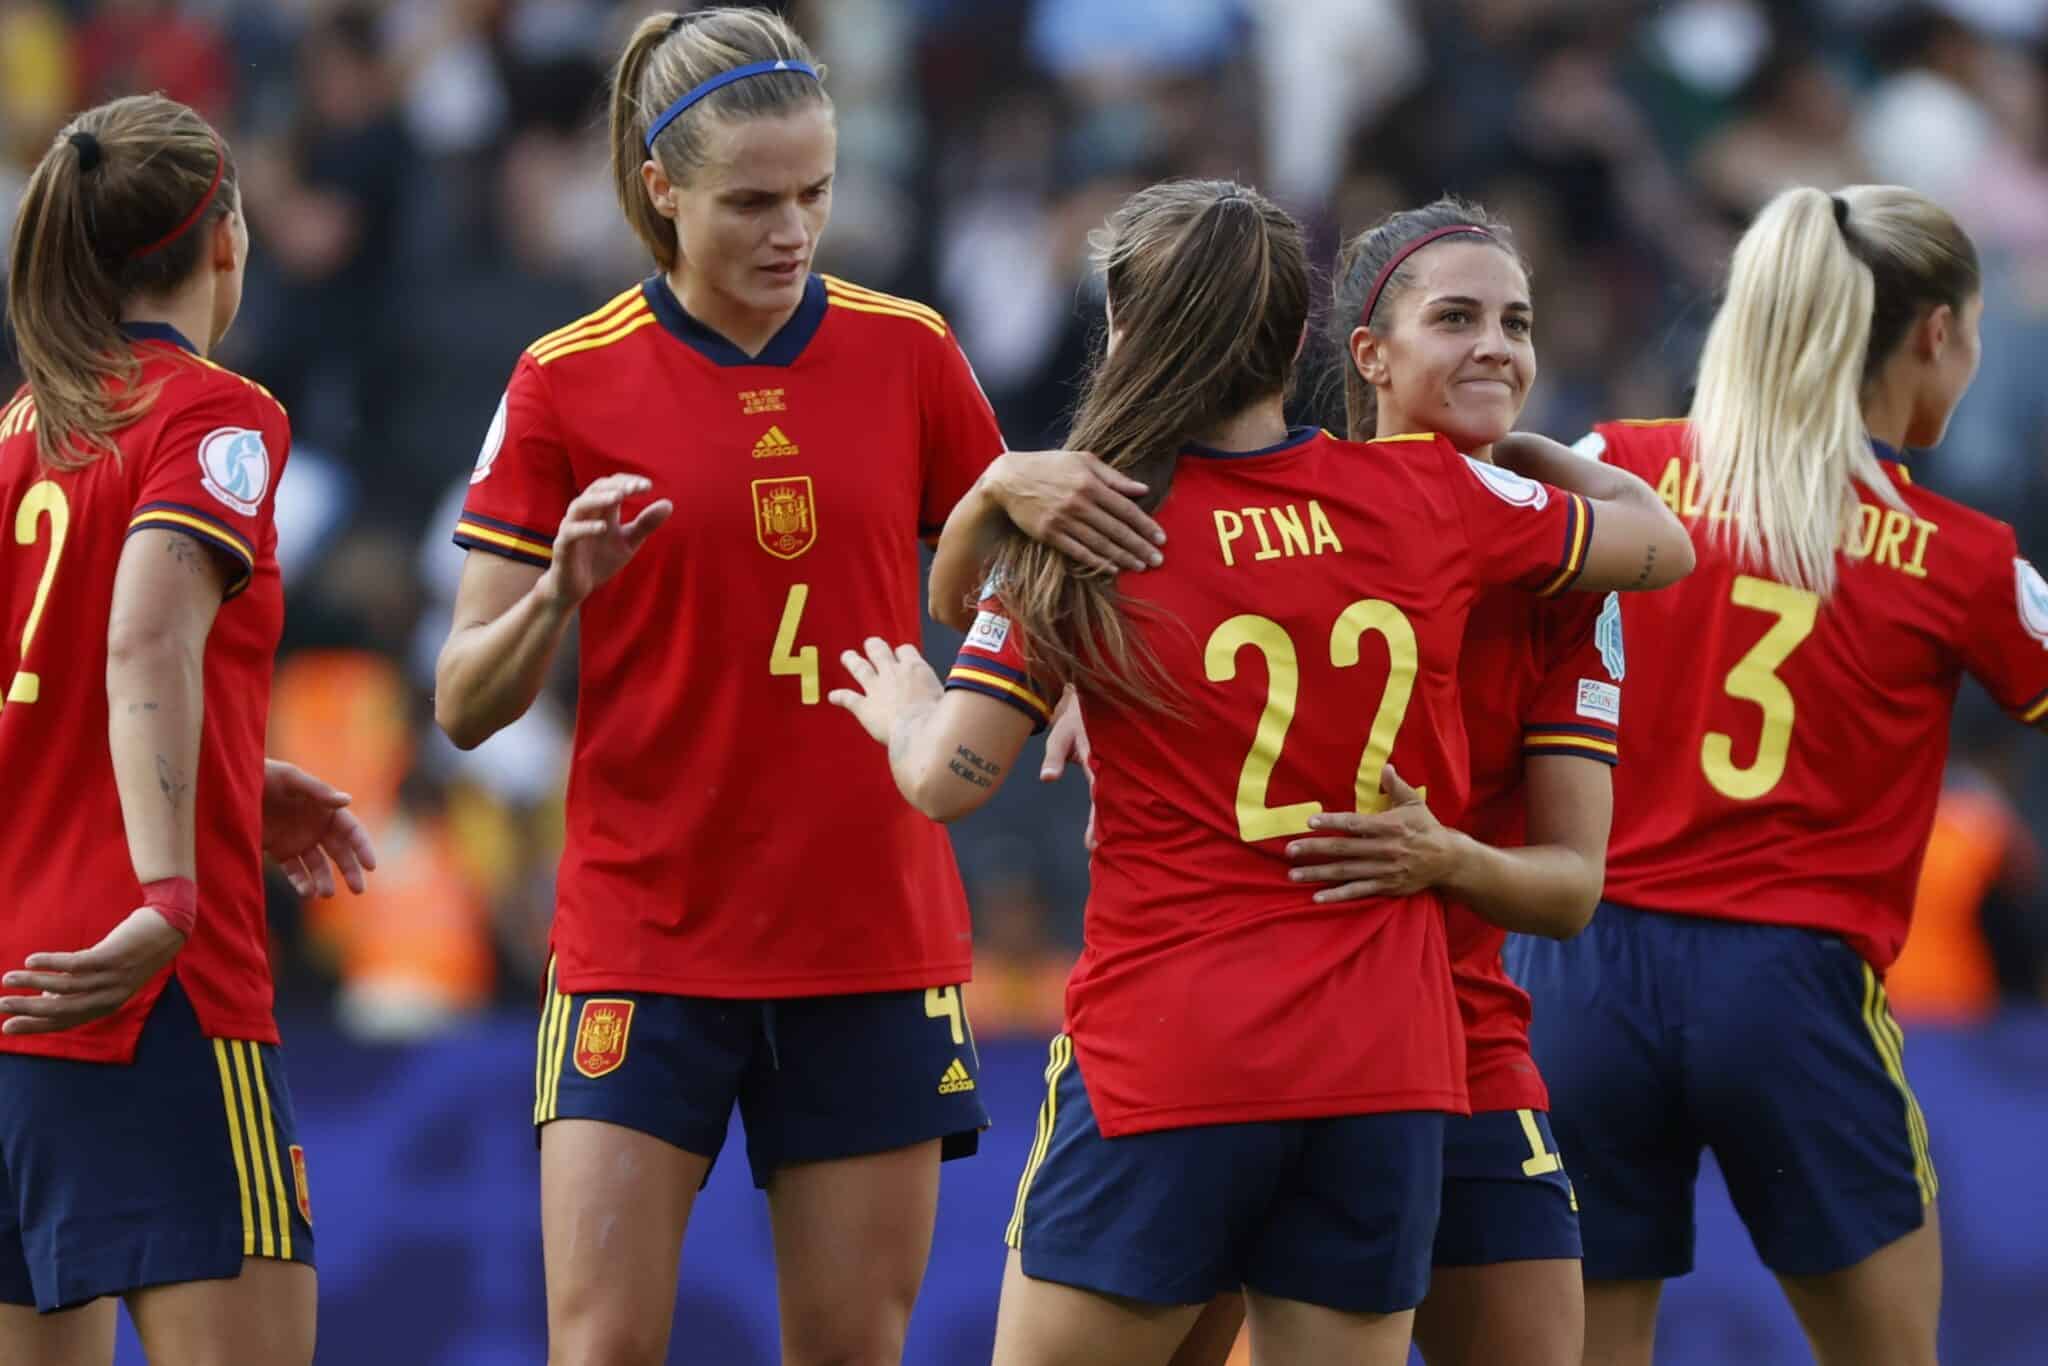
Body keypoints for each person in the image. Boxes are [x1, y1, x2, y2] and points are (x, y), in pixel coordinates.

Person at [832, 177, 1692, 1366]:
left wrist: (905, 704)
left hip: (1169, 1058)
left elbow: (949, 778)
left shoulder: (1083, 526)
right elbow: (1658, 541)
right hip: (1380, 1073)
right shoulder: (1432, 493)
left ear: (1125, 330)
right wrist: (1537, 463)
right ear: (1299, 337)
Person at [430, 10, 1151, 1365]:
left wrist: (1059, 681)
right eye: (752, 201)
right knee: (599, 1347)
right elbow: (465, 701)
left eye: (814, 194)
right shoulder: (563, 382)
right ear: (661, 189)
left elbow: (1008, 578)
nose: (792, 231)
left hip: (866, 932)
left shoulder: (910, 352)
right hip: (645, 933)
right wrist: (554, 594)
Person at [1507, 184, 2034, 1366]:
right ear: (1935, 334)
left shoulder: (1612, 471)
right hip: (1787, 991)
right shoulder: (1960, 558)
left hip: (1580, 973)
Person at [0, 93, 333, 1366]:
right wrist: (170, 892)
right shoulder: (212, 415)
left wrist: (234, 779)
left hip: (14, 1004)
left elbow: (51, 692)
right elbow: (141, 638)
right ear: (227, 240)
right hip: (151, 999)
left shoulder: (25, 432)